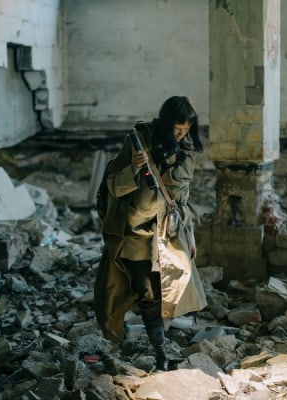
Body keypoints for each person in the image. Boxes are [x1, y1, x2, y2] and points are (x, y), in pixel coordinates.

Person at [94, 95, 207, 371]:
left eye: (186, 130)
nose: (181, 136)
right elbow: (113, 186)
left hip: (168, 235)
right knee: (147, 293)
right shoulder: (140, 141)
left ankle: (159, 346)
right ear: (167, 124)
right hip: (136, 234)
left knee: (169, 290)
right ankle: (161, 354)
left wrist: (189, 236)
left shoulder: (187, 150)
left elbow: (182, 199)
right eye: (177, 130)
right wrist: (134, 167)